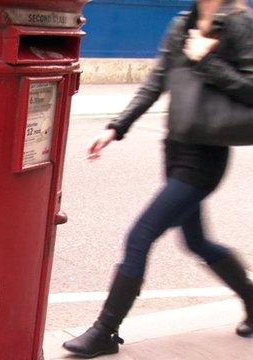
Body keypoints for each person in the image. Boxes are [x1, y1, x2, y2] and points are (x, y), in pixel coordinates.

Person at [63, 0, 253, 357]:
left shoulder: (240, 24)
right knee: (197, 242)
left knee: (140, 236)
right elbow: (155, 82)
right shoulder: (182, 23)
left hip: (206, 155)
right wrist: (116, 127)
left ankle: (105, 331)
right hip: (175, 148)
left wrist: (205, 60)